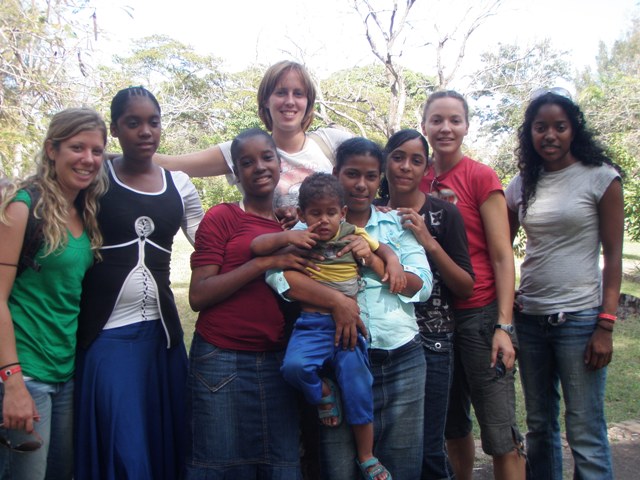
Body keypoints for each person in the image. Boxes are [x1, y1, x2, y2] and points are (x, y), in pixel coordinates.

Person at [267, 137, 433, 480]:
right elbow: (279, 277)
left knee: (402, 466)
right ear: (336, 174)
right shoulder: (306, 228)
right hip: (335, 352)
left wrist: (372, 258)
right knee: (339, 469)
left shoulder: (394, 224)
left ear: (379, 179)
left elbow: (421, 285)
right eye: (352, 174)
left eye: (371, 176)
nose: (361, 184)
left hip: (400, 357)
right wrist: (338, 302)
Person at [74, 87, 203, 480]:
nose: (145, 131)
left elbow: (210, 244)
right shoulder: (96, 178)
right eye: (133, 123)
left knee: (166, 446)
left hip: (163, 341)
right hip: (107, 337)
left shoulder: (178, 185)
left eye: (153, 122)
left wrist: (277, 233)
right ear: (115, 129)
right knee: (126, 450)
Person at [252, 172, 405, 480]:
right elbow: (258, 246)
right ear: (301, 214)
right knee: (293, 368)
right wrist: (288, 237)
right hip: (312, 325)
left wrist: (393, 262)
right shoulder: (301, 240)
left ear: (343, 212)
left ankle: (367, 455)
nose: (324, 220)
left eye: (331, 212)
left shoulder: (353, 234)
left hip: (349, 328)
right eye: (315, 213)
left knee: (358, 388)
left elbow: (384, 249)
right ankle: (323, 392)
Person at [505, 88, 623, 479]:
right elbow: (499, 248)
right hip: (530, 318)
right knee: (539, 424)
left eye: (560, 126)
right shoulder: (523, 183)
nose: (550, 135)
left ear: (574, 130)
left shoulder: (600, 177)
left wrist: (606, 324)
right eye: (540, 127)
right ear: (530, 133)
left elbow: (614, 256)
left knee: (585, 428)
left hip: (580, 320)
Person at [185, 128, 316, 478]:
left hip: (277, 360)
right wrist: (262, 263)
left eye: (267, 157)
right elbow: (198, 295)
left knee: (282, 466)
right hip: (221, 360)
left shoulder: (292, 225)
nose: (259, 167)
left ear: (279, 164)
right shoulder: (223, 217)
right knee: (218, 467)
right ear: (236, 172)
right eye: (246, 162)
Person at [419, 91, 525, 480]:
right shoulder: (417, 175)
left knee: (498, 430)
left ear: (466, 126)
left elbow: (501, 254)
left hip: (480, 314)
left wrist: (503, 325)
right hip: (434, 318)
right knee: (452, 425)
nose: (445, 128)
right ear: (425, 126)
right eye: (437, 120)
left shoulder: (480, 176)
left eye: (455, 120)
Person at [0, 108, 108, 480]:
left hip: (65, 375)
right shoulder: (23, 207)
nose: (88, 159)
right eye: (77, 147)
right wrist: (12, 381)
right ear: (51, 150)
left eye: (97, 151)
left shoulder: (84, 211)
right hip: (25, 375)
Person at [376, 129, 475, 480]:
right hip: (385, 339)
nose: (406, 166)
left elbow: (465, 286)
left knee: (429, 449)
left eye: (416, 160)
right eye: (398, 157)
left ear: (426, 167)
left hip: (432, 340)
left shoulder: (443, 213)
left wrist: (428, 241)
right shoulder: (369, 211)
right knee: (383, 446)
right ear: (385, 161)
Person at [155, 60, 353, 212]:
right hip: (269, 252)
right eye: (281, 93)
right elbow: (169, 164)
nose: (290, 101)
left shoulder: (331, 142)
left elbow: (369, 174)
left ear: (308, 102)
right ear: (266, 100)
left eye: (298, 94)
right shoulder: (243, 150)